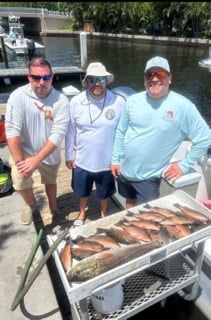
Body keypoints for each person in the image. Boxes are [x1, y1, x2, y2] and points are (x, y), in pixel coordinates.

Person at [111, 56, 211, 208]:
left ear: (169, 78)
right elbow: (121, 131)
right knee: (129, 202)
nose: (155, 78)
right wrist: (115, 159)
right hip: (124, 169)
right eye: (150, 75)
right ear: (145, 79)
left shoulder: (183, 106)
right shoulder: (132, 101)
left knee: (147, 216)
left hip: (149, 178)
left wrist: (184, 165)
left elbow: (205, 138)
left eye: (161, 74)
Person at [5, 57, 70, 225]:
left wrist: (36, 160)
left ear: (52, 77)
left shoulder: (61, 101)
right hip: (25, 149)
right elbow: (12, 131)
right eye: (36, 77)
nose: (41, 82)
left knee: (51, 181)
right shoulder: (17, 96)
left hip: (49, 151)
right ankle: (31, 205)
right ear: (29, 77)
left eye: (46, 77)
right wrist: (21, 163)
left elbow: (58, 133)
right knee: (19, 179)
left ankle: (54, 209)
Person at [65, 62, 125, 227]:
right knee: (82, 191)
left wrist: (117, 159)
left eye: (101, 79)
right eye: (92, 79)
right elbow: (70, 131)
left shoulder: (118, 102)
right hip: (82, 159)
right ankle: (82, 213)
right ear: (87, 82)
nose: (97, 83)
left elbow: (122, 133)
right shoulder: (76, 101)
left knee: (104, 193)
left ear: (106, 80)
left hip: (106, 162)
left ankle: (103, 213)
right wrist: (68, 155)